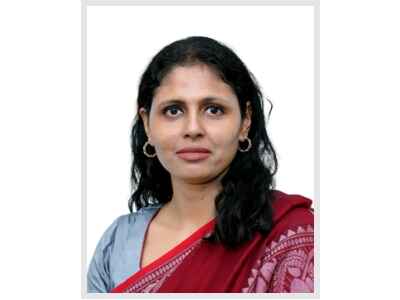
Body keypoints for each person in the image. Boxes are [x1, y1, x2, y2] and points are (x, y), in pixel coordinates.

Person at [87, 36, 314, 293]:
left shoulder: (292, 236)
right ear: (147, 124)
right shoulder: (117, 243)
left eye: (213, 110)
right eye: (173, 110)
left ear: (245, 121)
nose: (193, 129)